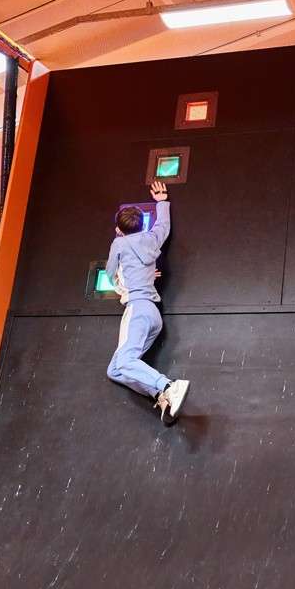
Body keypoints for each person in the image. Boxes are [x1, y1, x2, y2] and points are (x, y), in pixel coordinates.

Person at [105, 180, 189, 424]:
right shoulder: (152, 240)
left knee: (125, 361)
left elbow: (110, 273)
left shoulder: (119, 243)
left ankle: (167, 385)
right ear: (142, 224)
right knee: (116, 369)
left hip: (137, 309)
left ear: (119, 230)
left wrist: (121, 283)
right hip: (154, 314)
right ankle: (161, 395)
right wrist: (162, 202)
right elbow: (163, 226)